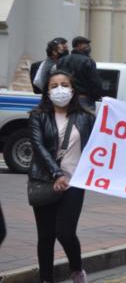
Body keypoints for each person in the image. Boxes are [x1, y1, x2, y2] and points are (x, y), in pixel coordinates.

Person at [29, 70, 95, 283]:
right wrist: (56, 174)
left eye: (64, 84)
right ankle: (46, 279)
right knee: (46, 236)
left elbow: (98, 147)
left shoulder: (86, 117)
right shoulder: (37, 115)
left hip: (74, 182)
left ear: (73, 89)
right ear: (47, 92)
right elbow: (38, 147)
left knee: (66, 233)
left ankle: (76, 270)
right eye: (54, 85)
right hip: (45, 180)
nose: (60, 89)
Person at [57, 36, 102, 111]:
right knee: (85, 121)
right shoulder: (88, 61)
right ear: (79, 45)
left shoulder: (62, 60)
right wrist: (95, 97)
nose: (88, 47)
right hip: (83, 99)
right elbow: (95, 83)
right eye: (86, 45)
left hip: (65, 98)